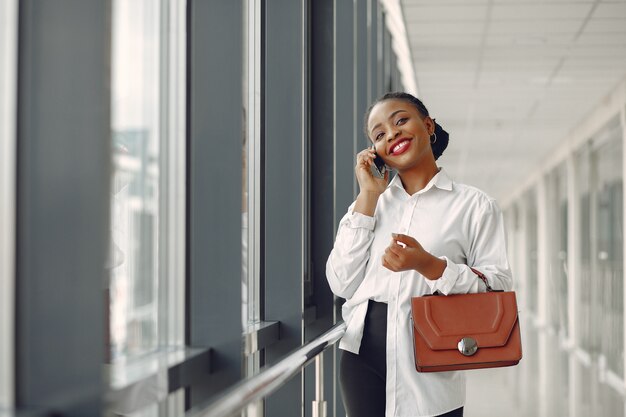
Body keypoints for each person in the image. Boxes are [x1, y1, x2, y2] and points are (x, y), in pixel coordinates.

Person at [326, 92, 513, 417]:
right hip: (362, 357)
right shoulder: (368, 205)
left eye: (400, 120)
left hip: (434, 352)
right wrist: (368, 196)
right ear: (376, 152)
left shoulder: (475, 206)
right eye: (379, 134)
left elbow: (497, 288)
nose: (392, 134)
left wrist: (432, 267)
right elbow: (341, 283)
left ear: (428, 126)